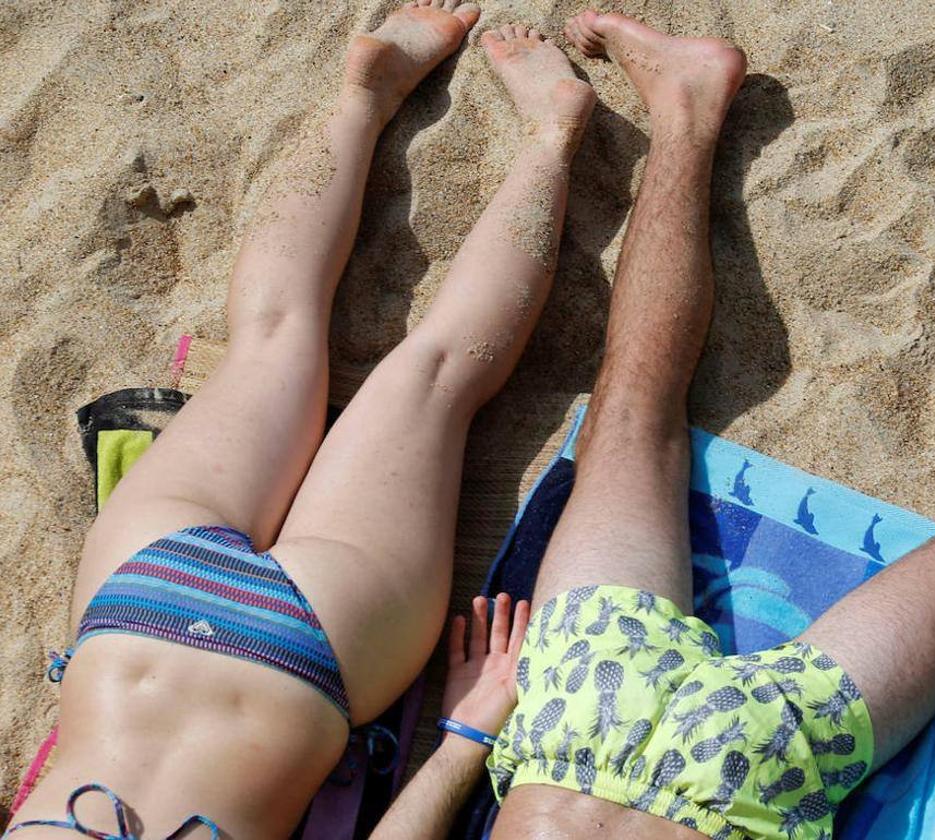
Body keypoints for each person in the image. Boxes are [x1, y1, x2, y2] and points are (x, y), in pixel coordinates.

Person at [476, 10, 935, 840]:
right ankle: (684, 111)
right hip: (581, 720)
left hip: (736, 792)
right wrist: (466, 737)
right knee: (633, 416)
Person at [4, 2, 596, 836]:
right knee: (272, 335)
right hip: (135, 607)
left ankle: (550, 135)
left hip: (301, 654)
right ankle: (365, 93)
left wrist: (466, 736)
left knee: (432, 377)